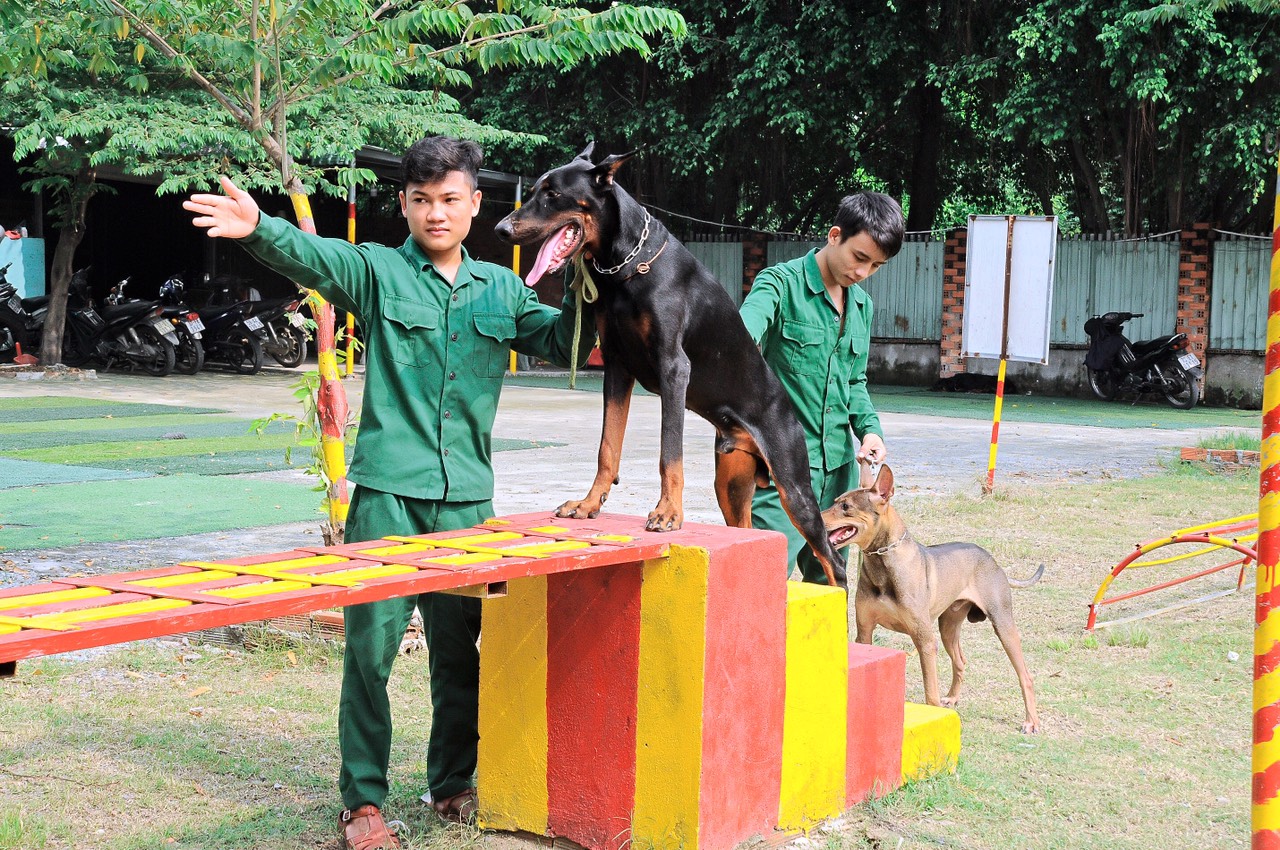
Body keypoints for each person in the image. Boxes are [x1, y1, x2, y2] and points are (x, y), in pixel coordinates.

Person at [184, 136, 592, 850]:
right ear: (404, 204)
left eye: (451, 199)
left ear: (475, 205)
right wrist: (261, 229)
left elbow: (566, 342)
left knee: (458, 652)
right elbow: (317, 259)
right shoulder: (376, 272)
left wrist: (595, 275)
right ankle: (362, 801)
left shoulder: (502, 288)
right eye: (423, 200)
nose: (437, 213)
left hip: (466, 501)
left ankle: (453, 783)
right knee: (370, 650)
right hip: (387, 495)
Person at [738, 192, 904, 584]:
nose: (863, 272)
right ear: (834, 235)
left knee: (830, 584)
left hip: (839, 476)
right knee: (759, 580)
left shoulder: (861, 307)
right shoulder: (780, 284)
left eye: (877, 266)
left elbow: (854, 382)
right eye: (860, 258)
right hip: (783, 466)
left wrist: (870, 430)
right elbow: (740, 341)